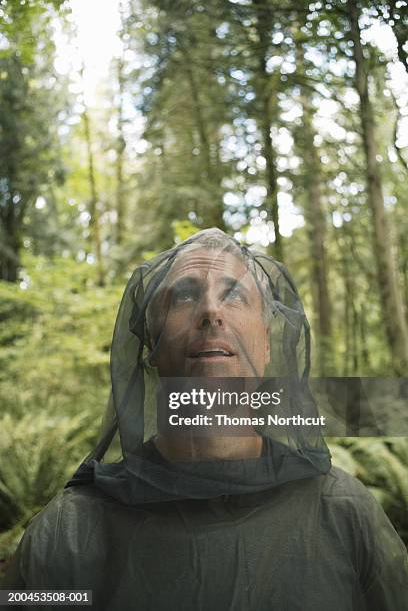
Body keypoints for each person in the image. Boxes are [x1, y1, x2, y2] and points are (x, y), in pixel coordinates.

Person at [2, 228, 408, 610]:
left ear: (266, 343)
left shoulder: (343, 510)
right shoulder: (69, 531)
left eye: (234, 296)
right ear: (152, 345)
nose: (211, 310)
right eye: (183, 296)